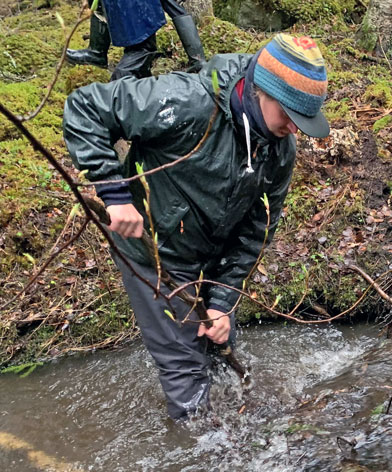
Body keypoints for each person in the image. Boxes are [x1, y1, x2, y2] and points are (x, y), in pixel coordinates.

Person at [63, 33, 330, 419]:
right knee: (188, 374)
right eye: (290, 115)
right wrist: (115, 194)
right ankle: (197, 458)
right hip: (156, 253)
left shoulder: (278, 148)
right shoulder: (186, 102)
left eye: (303, 121)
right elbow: (85, 107)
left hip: (214, 257)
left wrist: (221, 303)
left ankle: (234, 428)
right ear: (262, 92)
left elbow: (258, 230)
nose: (294, 128)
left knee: (220, 351)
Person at [65, 0, 206, 79]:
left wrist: (197, 59)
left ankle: (197, 59)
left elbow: (176, 10)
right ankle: (96, 52)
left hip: (141, 46)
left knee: (121, 78)